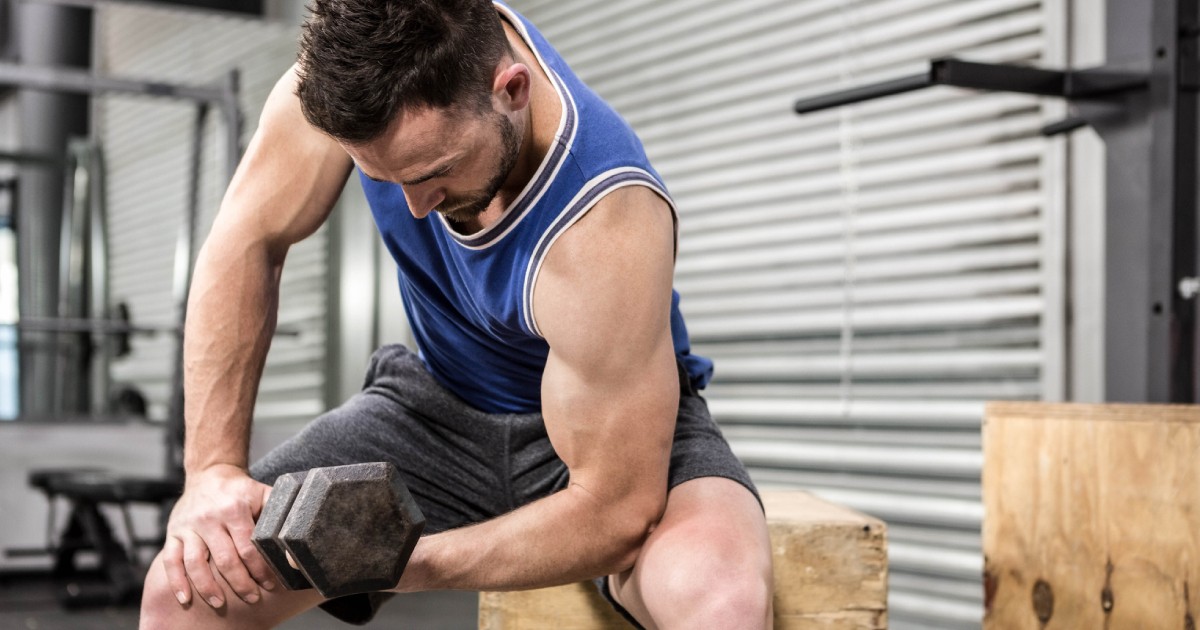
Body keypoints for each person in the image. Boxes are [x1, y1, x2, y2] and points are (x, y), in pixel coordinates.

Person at [138, 1, 773, 628]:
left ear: (512, 89)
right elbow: (242, 241)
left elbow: (614, 512)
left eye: (433, 173)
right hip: (433, 412)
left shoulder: (604, 217)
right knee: (186, 589)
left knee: (720, 603)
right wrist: (211, 472)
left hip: (616, 436)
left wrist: (405, 562)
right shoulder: (339, 88)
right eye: (384, 180)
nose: (415, 208)